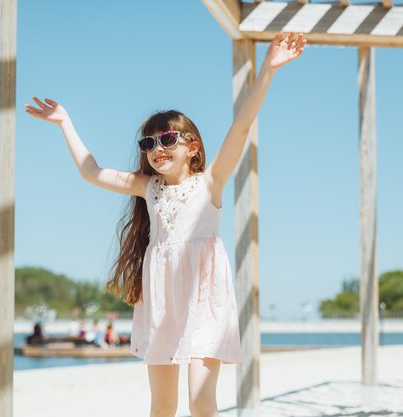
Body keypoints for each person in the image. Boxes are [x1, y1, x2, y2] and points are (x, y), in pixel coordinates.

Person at [25, 31, 306, 417]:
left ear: (193, 146)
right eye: (149, 143)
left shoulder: (210, 182)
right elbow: (91, 173)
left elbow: (241, 126)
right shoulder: (148, 188)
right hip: (160, 302)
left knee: (202, 403)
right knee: (162, 405)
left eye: (168, 139)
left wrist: (268, 71)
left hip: (205, 299)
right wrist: (65, 122)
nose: (157, 149)